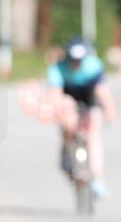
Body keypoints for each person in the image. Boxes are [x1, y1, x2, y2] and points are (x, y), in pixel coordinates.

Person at [47, 37, 116, 198]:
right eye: (73, 61)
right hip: (68, 96)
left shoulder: (93, 66)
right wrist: (61, 118)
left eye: (79, 61)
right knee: (68, 119)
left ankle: (98, 180)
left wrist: (110, 110)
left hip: (89, 96)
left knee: (93, 134)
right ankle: (66, 150)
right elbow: (55, 97)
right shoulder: (57, 69)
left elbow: (102, 91)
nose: (76, 64)